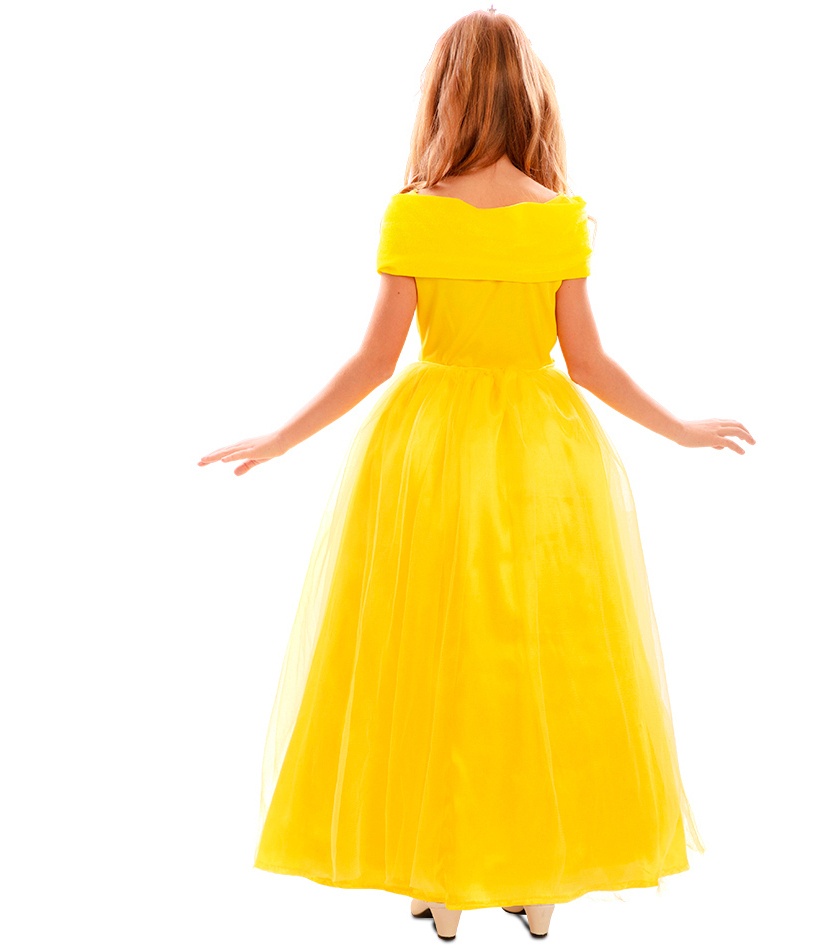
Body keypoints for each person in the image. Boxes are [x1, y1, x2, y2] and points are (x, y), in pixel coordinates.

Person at [198, 7, 754, 940]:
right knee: (539, 658)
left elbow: (373, 362)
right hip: (544, 461)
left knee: (428, 655)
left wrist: (282, 437)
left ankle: (440, 877)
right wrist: (681, 429)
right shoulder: (557, 218)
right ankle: (537, 878)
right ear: (532, 98)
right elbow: (590, 364)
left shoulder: (416, 211)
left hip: (428, 452)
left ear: (444, 95)